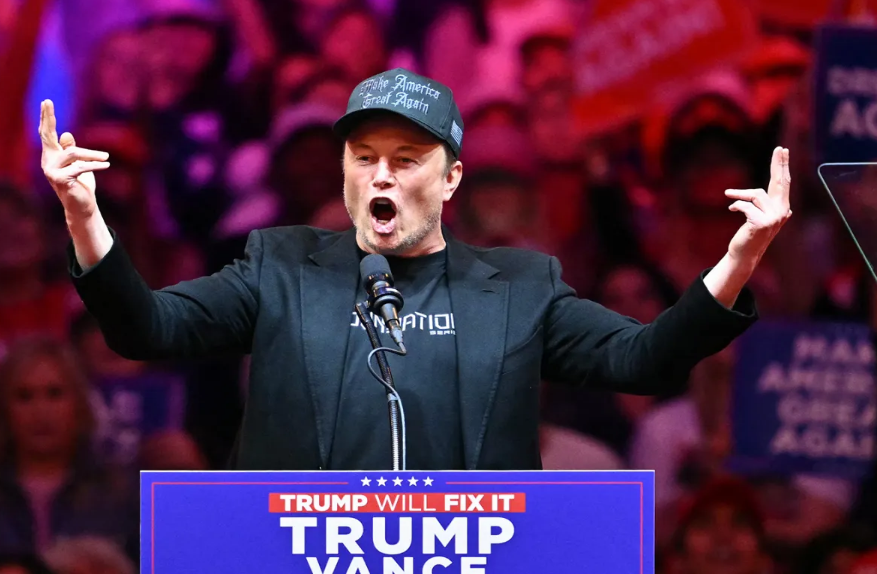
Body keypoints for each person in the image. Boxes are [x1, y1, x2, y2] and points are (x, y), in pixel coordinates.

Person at [39, 67, 792, 470]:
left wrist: (738, 258)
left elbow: (646, 359)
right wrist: (83, 215)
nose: (381, 175)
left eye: (406, 159)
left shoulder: (520, 286)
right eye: (363, 157)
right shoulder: (278, 267)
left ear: (452, 178)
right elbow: (147, 329)